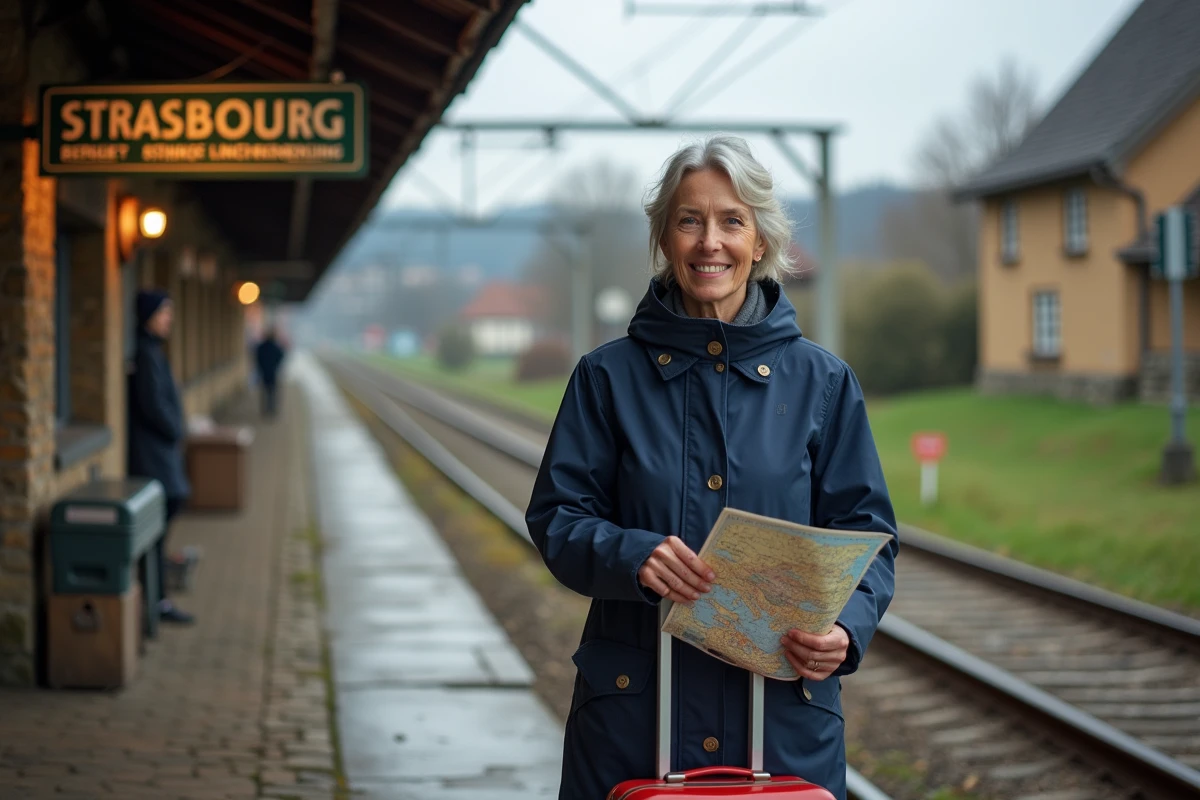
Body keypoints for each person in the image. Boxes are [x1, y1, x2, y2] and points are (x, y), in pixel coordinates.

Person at [525, 135, 898, 800]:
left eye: (732, 221)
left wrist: (847, 629)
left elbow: (868, 536)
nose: (710, 243)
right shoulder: (604, 379)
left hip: (783, 721)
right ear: (664, 238)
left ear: (761, 242)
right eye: (689, 220)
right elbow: (557, 519)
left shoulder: (823, 383)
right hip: (633, 721)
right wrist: (630, 554)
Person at [128, 289, 195, 625]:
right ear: (148, 316)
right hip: (152, 453)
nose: (169, 320)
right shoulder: (145, 354)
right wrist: (175, 429)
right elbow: (153, 404)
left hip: (159, 451)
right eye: (164, 313)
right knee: (164, 512)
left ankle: (157, 599)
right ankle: (154, 601)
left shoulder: (152, 351)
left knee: (162, 523)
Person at [254, 327, 286, 418]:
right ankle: (271, 409)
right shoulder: (276, 347)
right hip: (273, 372)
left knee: (264, 391)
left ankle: (264, 410)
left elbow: (257, 357)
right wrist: (276, 365)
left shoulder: (261, 347)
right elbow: (281, 356)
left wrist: (261, 366)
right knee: (272, 392)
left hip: (264, 372)